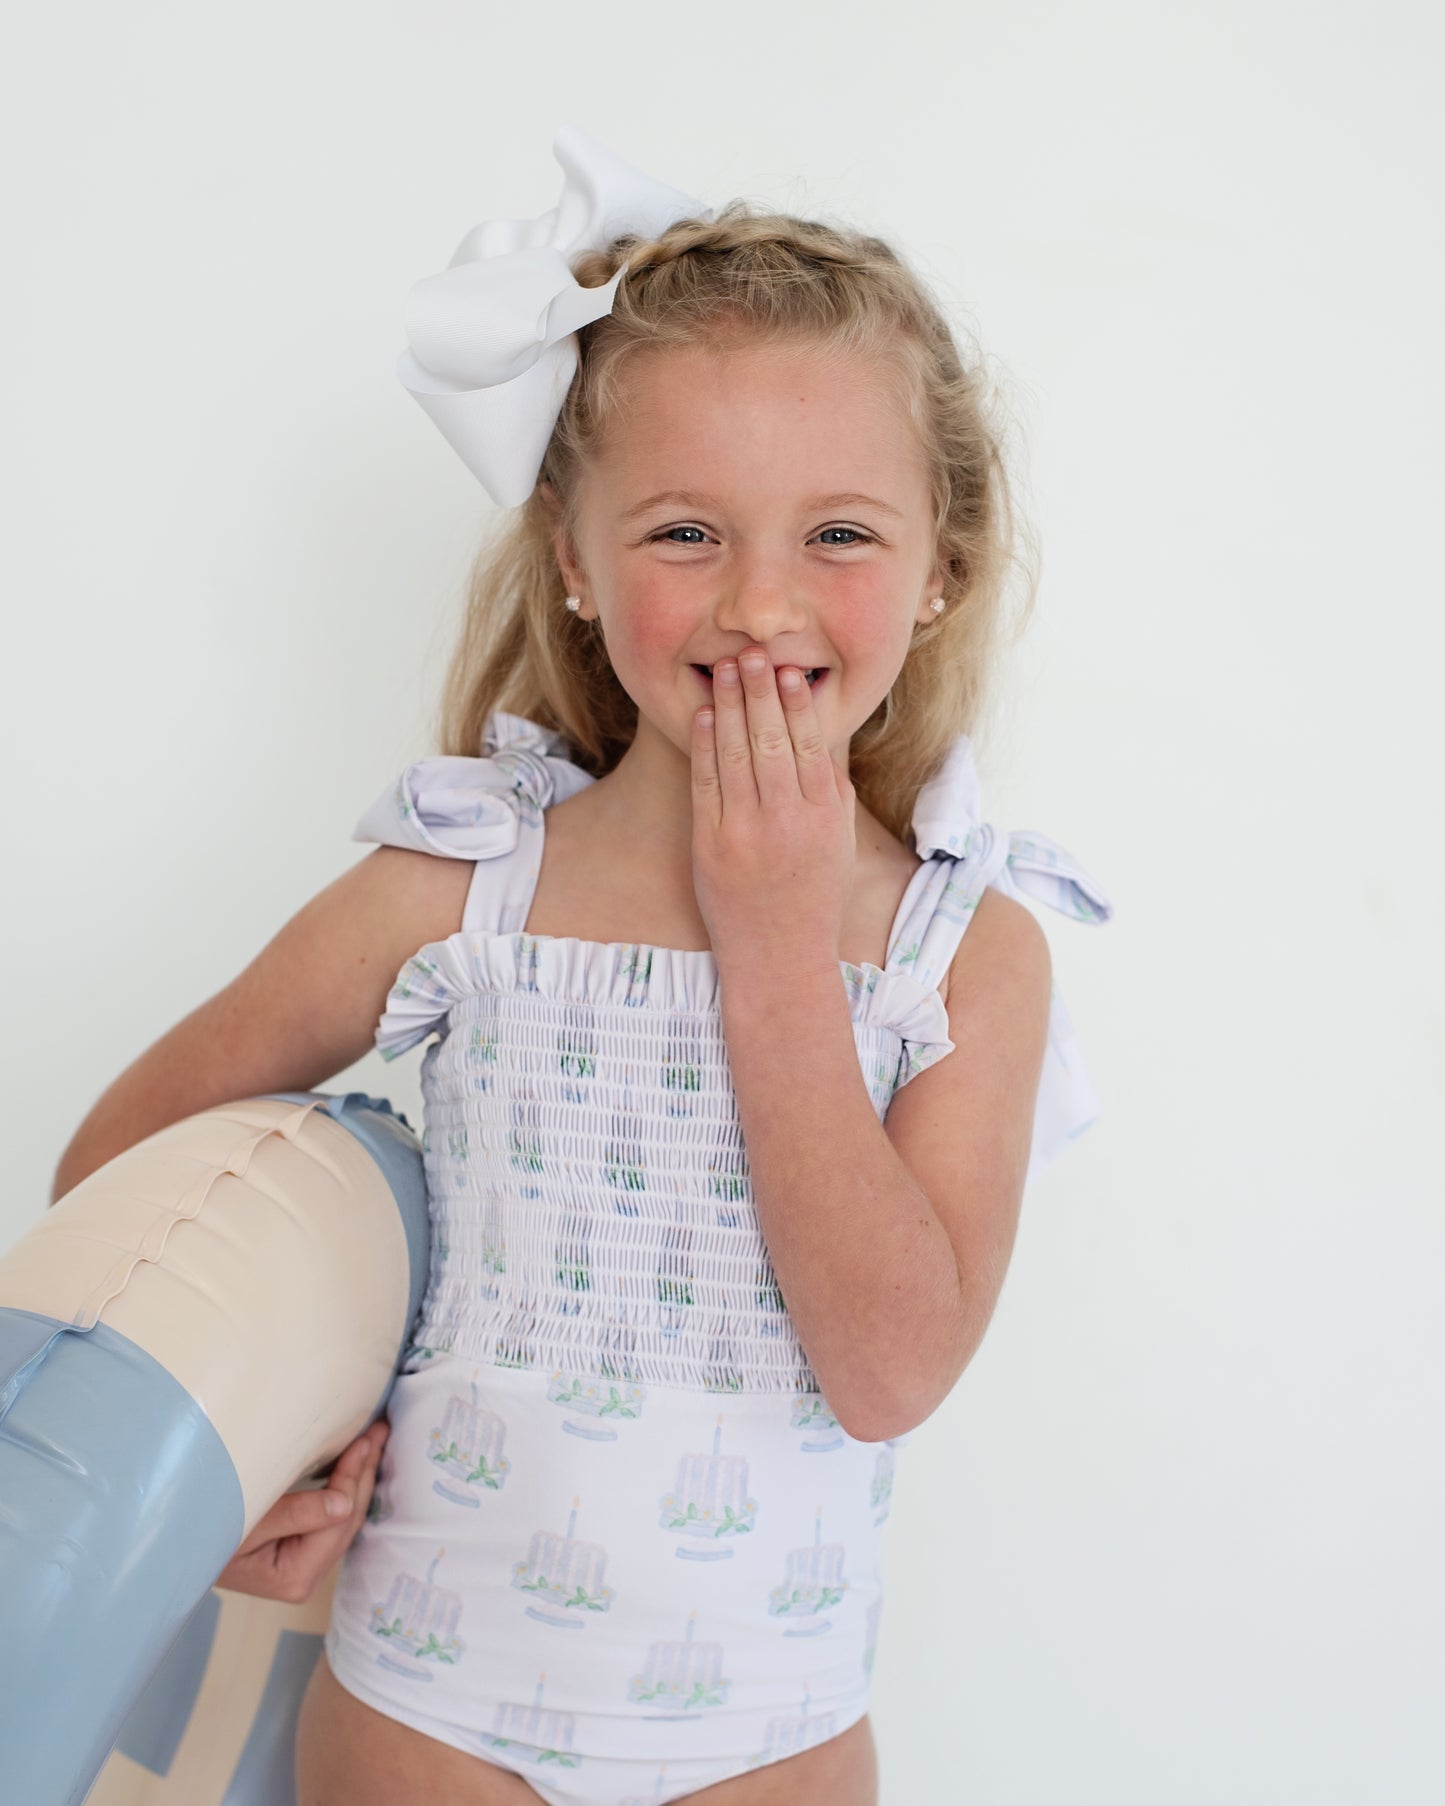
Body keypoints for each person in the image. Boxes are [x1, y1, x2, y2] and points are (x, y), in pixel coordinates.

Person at [51, 127, 1112, 1806]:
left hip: (766, 1739)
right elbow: (120, 1165)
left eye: (837, 532)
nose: (760, 601)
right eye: (686, 530)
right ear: (569, 550)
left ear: (938, 575)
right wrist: (249, 1455)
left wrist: (772, 947)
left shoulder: (963, 954)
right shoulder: (461, 885)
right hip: (425, 1716)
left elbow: (889, 1365)